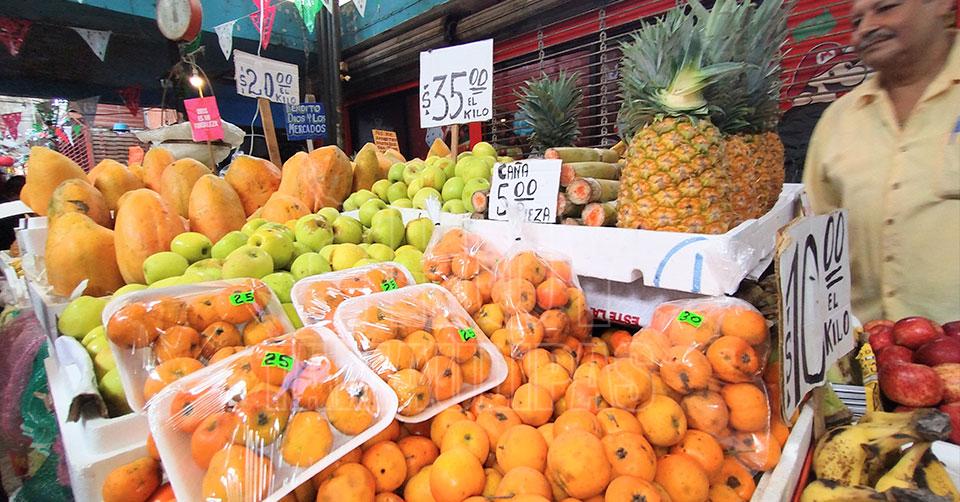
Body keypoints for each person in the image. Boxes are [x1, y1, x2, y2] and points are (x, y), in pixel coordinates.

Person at [802, 0, 959, 324]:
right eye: (856, 22)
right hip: (865, 344)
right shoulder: (838, 119)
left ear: (942, 5)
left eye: (886, 8)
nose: (867, 28)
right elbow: (813, 239)